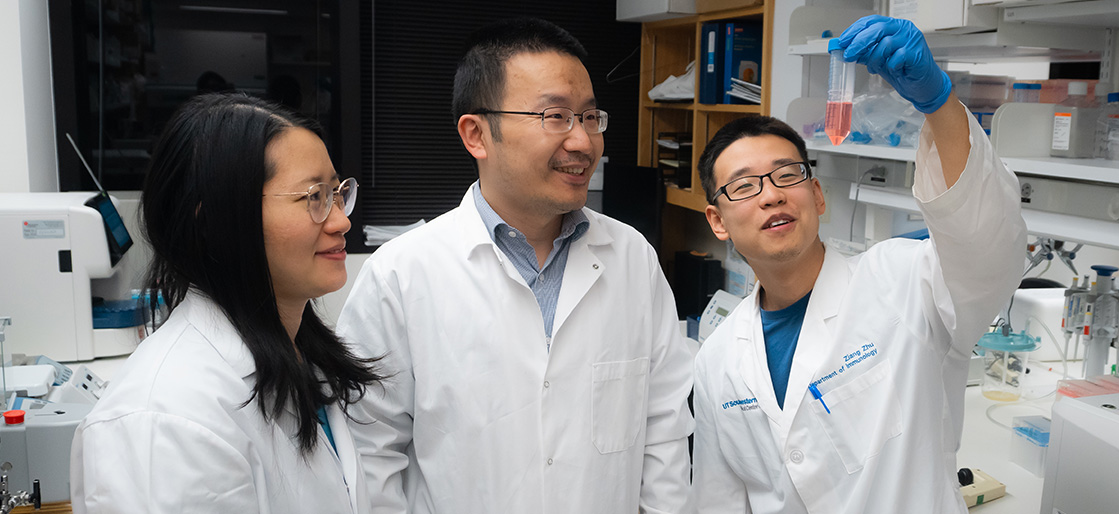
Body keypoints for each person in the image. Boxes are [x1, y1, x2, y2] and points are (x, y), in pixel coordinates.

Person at [337, 17, 694, 514]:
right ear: (477, 134)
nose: (583, 142)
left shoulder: (632, 257)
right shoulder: (401, 275)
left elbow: (664, 430)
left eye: (590, 118)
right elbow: (371, 455)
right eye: (555, 117)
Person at [690, 15, 1027, 513]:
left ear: (817, 195)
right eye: (744, 186)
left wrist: (938, 105)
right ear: (718, 222)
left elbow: (986, 245)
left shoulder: (902, 283)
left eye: (787, 174)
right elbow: (719, 501)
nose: (771, 196)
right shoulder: (717, 359)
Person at [70, 94, 382, 513]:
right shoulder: (165, 416)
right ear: (214, 222)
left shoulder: (299, 354)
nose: (341, 219)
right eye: (314, 197)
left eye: (338, 192)